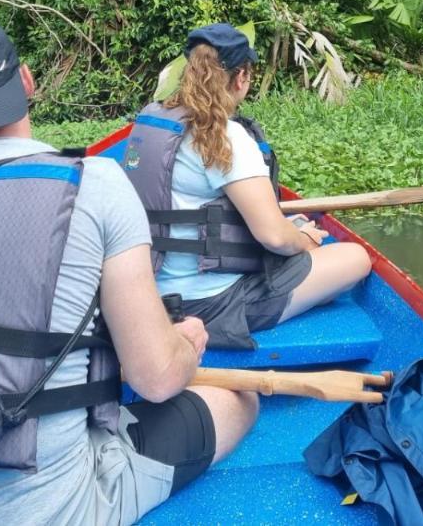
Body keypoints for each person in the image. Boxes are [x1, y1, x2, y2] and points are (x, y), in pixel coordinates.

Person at [0, 15, 257, 526]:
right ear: (28, 81)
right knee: (241, 395)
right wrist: (186, 341)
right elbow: (155, 378)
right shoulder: (95, 184)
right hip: (49, 512)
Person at [122, 23, 372, 349]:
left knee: (289, 231)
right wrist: (303, 239)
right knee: (356, 258)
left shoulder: (152, 119)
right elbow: (274, 237)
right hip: (210, 306)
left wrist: (286, 226)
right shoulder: (225, 136)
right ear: (241, 78)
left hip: (150, 297)